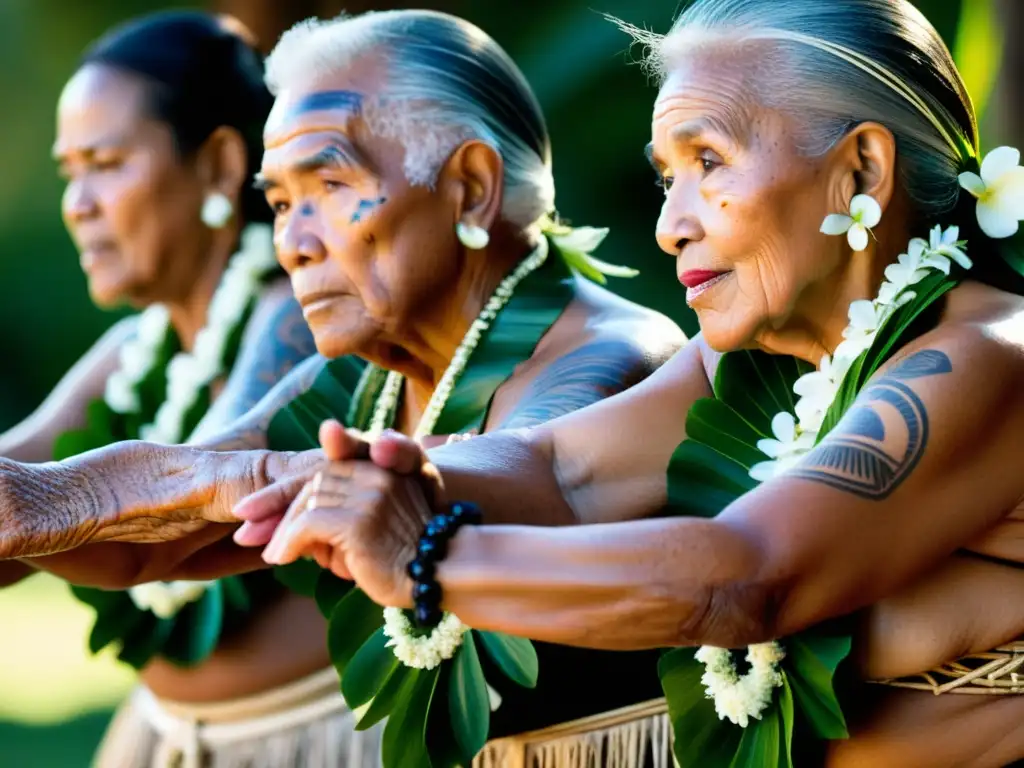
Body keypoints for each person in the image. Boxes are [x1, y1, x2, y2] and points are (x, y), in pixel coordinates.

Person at [232, 1, 1024, 765]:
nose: (669, 225)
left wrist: (425, 558)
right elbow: (556, 468)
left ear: (861, 169)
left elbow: (747, 574)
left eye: (707, 161)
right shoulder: (760, 359)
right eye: (666, 177)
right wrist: (335, 477)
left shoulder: (988, 357)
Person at [0, 10, 684, 766]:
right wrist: (33, 501)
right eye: (284, 203)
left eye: (329, 184)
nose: (292, 243)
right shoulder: (359, 375)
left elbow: (527, 467)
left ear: (470, 187)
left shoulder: (610, 354)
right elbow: (160, 538)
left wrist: (229, 482)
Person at [0, 10, 320, 767]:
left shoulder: (295, 314)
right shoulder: (135, 348)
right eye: (68, 171)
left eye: (105, 163)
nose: (78, 203)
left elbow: (196, 493)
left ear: (216, 164)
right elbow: (23, 468)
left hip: (311, 741)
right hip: (165, 740)